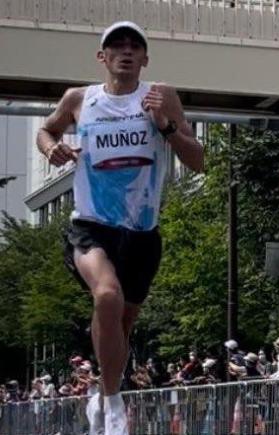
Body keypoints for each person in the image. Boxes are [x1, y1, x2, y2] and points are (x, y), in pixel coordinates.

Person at [35, 20, 203, 435]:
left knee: (122, 326)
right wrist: (52, 148)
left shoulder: (162, 97)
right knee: (106, 294)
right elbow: (46, 129)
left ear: (145, 58)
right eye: (116, 46)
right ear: (102, 57)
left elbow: (198, 159)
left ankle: (102, 391)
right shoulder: (80, 99)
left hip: (142, 233)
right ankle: (113, 405)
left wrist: (165, 125)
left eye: (134, 46)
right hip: (91, 226)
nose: (125, 52)